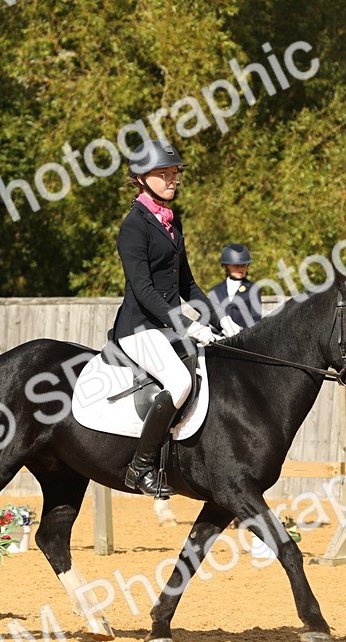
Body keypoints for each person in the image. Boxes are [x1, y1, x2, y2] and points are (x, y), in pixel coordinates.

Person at [113, 139, 242, 496]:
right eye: (164, 174)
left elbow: (188, 283)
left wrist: (218, 318)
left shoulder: (172, 220)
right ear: (140, 178)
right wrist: (188, 325)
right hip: (139, 327)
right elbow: (144, 290)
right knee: (180, 382)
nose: (173, 180)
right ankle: (140, 468)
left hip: (167, 325)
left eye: (174, 174)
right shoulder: (133, 227)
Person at [207, 243, 263, 329]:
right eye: (236, 266)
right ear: (226, 266)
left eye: (243, 265)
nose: (240, 269)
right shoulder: (215, 290)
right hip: (218, 337)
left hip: (242, 337)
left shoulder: (253, 289)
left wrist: (242, 333)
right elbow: (207, 315)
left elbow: (256, 319)